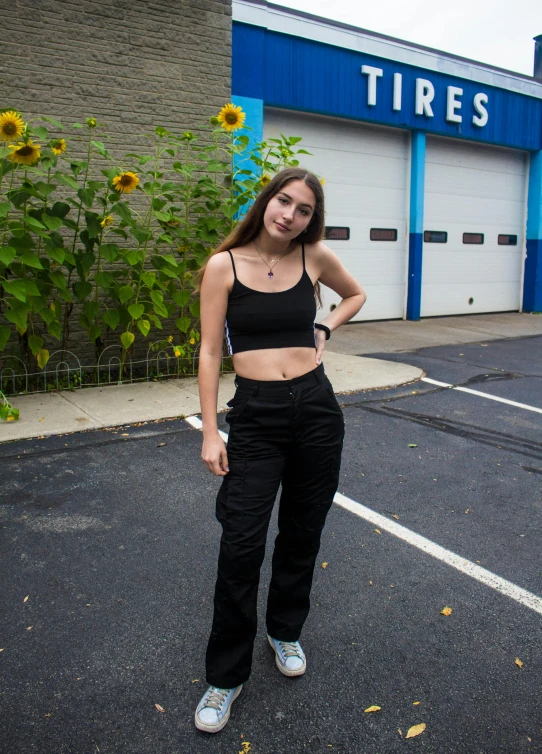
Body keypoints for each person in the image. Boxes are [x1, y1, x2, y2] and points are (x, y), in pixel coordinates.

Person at [193, 167, 366, 733]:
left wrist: (326, 327)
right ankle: (226, 676)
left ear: (312, 220)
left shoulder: (313, 258)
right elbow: (210, 352)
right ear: (266, 201)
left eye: (304, 210)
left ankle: (284, 630)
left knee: (302, 530)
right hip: (257, 416)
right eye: (283, 201)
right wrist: (211, 431)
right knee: (242, 542)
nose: (289, 215)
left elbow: (356, 294)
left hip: (316, 411)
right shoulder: (225, 265)